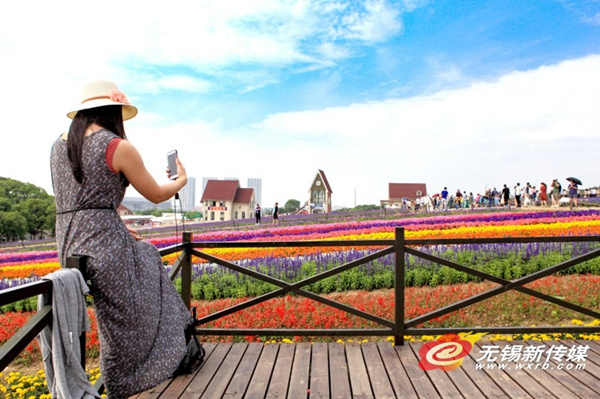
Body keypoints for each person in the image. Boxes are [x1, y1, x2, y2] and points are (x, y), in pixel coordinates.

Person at [50, 80, 191, 398]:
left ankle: (126, 374)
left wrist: (110, 223)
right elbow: (155, 194)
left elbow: (77, 201)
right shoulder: (116, 146)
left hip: (69, 241)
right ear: (114, 111)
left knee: (123, 299)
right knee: (141, 281)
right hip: (104, 245)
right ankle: (127, 380)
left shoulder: (58, 146)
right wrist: (182, 179)